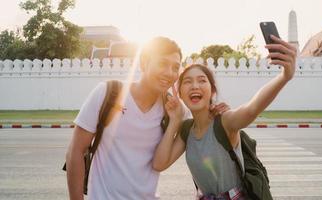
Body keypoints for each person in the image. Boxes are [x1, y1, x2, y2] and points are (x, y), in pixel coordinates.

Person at [65, 36, 229, 200]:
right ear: (144, 63)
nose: (169, 73)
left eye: (175, 67)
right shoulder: (107, 93)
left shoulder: (175, 111)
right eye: (162, 64)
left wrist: (215, 110)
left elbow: (203, 123)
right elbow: (76, 151)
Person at [152, 35, 297, 199]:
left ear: (212, 91)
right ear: (180, 94)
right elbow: (159, 163)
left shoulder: (225, 121)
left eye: (201, 80)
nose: (194, 86)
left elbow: (251, 109)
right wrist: (175, 120)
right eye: (187, 82)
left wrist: (284, 77)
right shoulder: (187, 130)